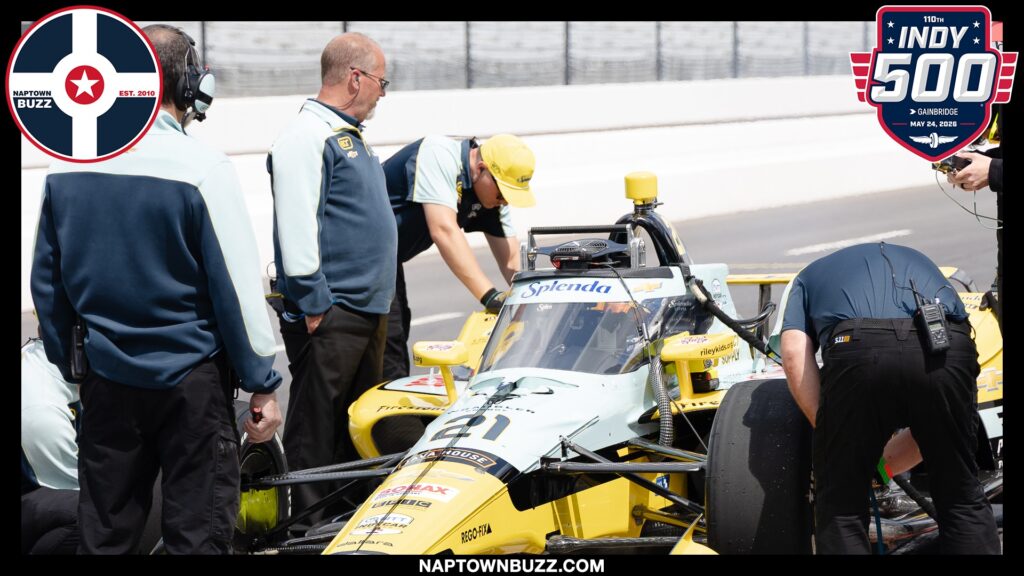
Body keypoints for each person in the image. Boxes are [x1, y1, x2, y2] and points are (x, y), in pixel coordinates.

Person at [30, 24, 282, 554]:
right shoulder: (204, 170)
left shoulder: (68, 169)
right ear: (189, 84)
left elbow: (47, 289)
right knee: (197, 534)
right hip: (189, 387)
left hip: (105, 383)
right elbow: (237, 292)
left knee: (104, 534)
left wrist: (74, 366)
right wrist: (262, 382)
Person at [779, 242, 999, 554]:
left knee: (842, 508)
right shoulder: (920, 260)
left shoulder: (804, 279)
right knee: (961, 495)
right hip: (946, 345)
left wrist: (836, 437)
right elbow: (934, 426)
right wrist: (880, 468)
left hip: (859, 348)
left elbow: (793, 357)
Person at [267, 32, 397, 524]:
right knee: (316, 425)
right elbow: (296, 226)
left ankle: (345, 517)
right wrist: (315, 302)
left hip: (363, 307)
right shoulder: (307, 135)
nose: (383, 93)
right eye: (381, 82)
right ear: (355, 77)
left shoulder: (346, 134)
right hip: (334, 309)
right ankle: (305, 524)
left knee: (355, 425)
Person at [382, 134, 535, 380]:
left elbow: (512, 262)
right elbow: (444, 230)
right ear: (482, 169)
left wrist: (532, 298)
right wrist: (490, 297)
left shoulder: (489, 195)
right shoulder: (439, 154)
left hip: (385, 260)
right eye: (502, 193)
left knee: (393, 343)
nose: (504, 201)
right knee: (372, 350)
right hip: (347, 255)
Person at [21, 337, 81, 555]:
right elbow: (73, 489)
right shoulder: (41, 409)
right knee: (88, 515)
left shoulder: (54, 354)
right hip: (39, 492)